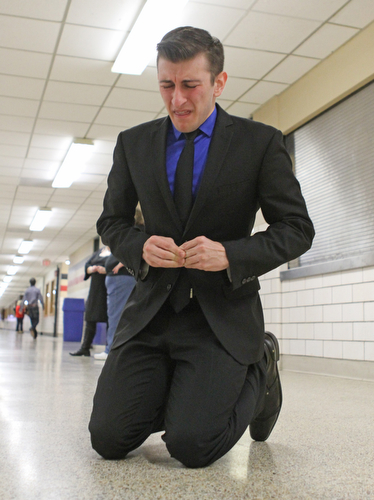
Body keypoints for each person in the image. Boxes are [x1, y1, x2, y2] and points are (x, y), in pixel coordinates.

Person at [89, 26, 315, 468]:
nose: (177, 100)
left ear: (219, 82)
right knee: (109, 439)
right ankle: (181, 390)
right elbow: (111, 222)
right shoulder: (133, 144)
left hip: (220, 315)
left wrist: (231, 254)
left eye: (190, 85)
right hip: (153, 309)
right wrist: (139, 248)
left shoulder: (260, 143)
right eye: (167, 85)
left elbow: (296, 228)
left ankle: (261, 365)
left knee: (192, 446)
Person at [69, 246, 110, 357]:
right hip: (95, 290)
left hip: (108, 289)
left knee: (110, 320)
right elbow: (87, 265)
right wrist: (91, 269)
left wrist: (104, 270)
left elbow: (116, 267)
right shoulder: (98, 252)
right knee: (90, 318)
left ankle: (109, 349)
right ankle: (85, 347)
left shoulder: (116, 251)